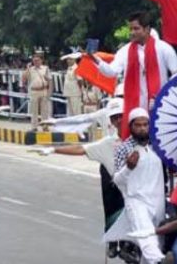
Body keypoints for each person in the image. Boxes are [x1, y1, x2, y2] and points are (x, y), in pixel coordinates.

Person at [32, 100, 125, 258]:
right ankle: (112, 240)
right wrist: (57, 123)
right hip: (107, 156)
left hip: (129, 170)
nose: (119, 120)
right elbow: (82, 120)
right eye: (115, 117)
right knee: (110, 204)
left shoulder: (137, 119)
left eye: (121, 116)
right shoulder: (104, 118)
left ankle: (127, 241)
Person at [92, 11, 177, 136]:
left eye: (136, 28)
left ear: (147, 29)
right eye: (131, 29)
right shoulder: (125, 50)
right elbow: (111, 72)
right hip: (135, 108)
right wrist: (97, 61)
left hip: (159, 106)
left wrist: (163, 96)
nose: (132, 32)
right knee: (135, 144)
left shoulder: (164, 48)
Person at [105, 108, 165, 264]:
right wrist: (128, 168)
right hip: (136, 202)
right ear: (131, 127)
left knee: (157, 241)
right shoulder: (123, 149)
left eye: (145, 125)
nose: (142, 128)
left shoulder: (158, 147)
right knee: (147, 238)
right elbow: (116, 181)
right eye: (138, 125)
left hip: (158, 202)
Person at [22, 51, 52, 131]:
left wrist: (49, 92)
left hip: (43, 90)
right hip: (34, 91)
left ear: (41, 61)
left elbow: (49, 80)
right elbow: (24, 79)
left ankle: (45, 126)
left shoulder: (45, 68)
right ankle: (34, 127)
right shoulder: (30, 69)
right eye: (34, 61)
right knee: (34, 110)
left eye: (37, 60)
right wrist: (27, 68)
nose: (36, 62)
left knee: (44, 110)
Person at [61, 51, 84, 116]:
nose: (68, 61)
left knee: (76, 111)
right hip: (69, 92)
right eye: (67, 59)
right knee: (70, 111)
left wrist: (81, 91)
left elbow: (80, 80)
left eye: (70, 59)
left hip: (75, 93)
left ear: (74, 60)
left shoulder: (76, 68)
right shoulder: (69, 68)